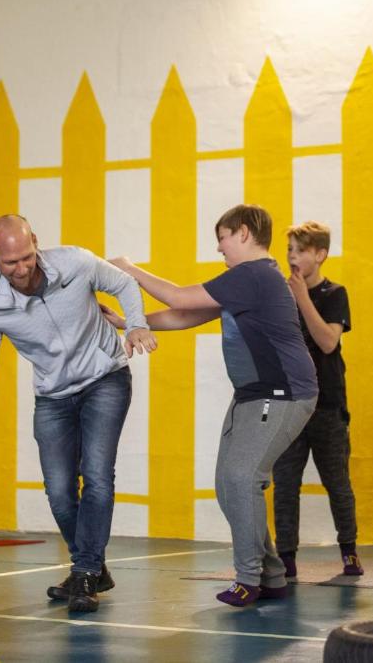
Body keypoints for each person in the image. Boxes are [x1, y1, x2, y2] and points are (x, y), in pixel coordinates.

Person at [0, 214, 157, 613]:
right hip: (53, 395)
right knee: (59, 491)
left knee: (97, 475)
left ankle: (84, 572)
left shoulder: (75, 262)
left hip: (105, 377)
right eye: (10, 262)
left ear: (35, 241)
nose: (21, 269)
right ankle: (93, 568)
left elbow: (124, 283)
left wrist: (135, 324)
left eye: (27, 257)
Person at [109, 204, 317, 607]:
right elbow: (184, 314)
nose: (219, 247)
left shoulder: (254, 274)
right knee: (228, 484)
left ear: (244, 233)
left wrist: (129, 268)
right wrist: (126, 322)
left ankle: (248, 579)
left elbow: (177, 295)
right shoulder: (245, 282)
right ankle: (272, 575)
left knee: (241, 478)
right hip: (253, 395)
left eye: (222, 238)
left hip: (283, 394)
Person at [272, 220, 363, 579]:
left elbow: (327, 342)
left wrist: (302, 299)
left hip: (327, 405)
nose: (292, 256)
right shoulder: (281, 296)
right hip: (290, 405)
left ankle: (349, 551)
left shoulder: (335, 293)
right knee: (285, 484)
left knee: (337, 482)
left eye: (300, 250)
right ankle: (286, 556)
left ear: (321, 255)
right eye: (289, 250)